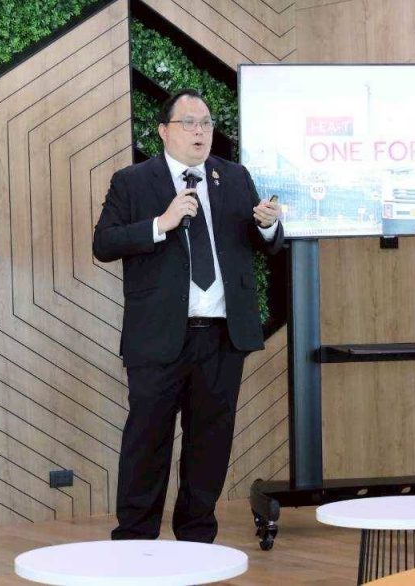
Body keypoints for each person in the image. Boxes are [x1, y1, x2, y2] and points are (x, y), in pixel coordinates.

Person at [93, 88, 283, 543]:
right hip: (158, 336)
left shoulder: (233, 177)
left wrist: (268, 224)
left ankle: (197, 537)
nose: (200, 132)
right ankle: (135, 538)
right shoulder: (133, 181)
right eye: (189, 123)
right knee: (148, 440)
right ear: (163, 131)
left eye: (206, 123)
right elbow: (105, 243)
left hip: (222, 335)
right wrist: (161, 224)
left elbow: (265, 243)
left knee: (209, 442)